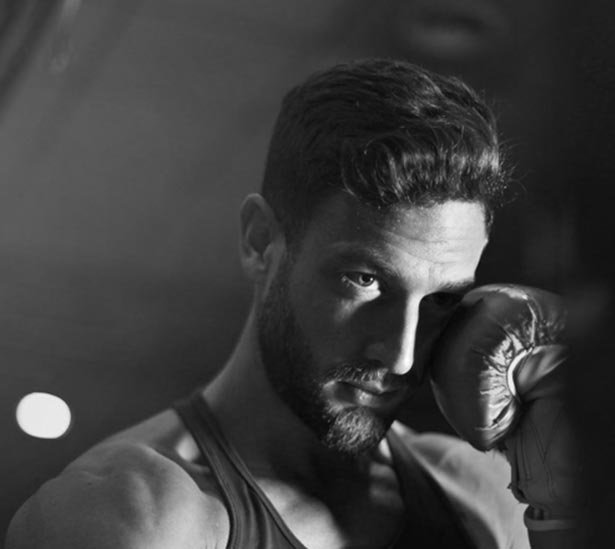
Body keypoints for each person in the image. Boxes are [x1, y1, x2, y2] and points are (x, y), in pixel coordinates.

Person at [6, 59, 575, 549]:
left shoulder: (475, 492)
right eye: (364, 279)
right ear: (260, 242)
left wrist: (566, 513)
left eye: (443, 299)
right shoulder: (135, 516)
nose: (401, 355)